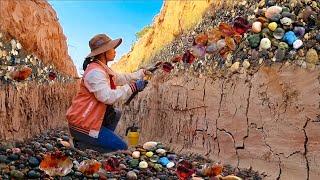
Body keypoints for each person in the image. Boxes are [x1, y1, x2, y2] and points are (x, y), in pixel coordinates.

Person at [66, 34, 148, 152]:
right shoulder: (95, 73)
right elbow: (107, 97)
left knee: (115, 113)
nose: (115, 51)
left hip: (87, 120)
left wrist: (142, 73)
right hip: (82, 124)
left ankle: (94, 142)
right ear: (103, 52)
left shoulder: (102, 69)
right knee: (121, 147)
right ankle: (82, 144)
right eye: (112, 48)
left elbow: (122, 78)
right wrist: (133, 87)